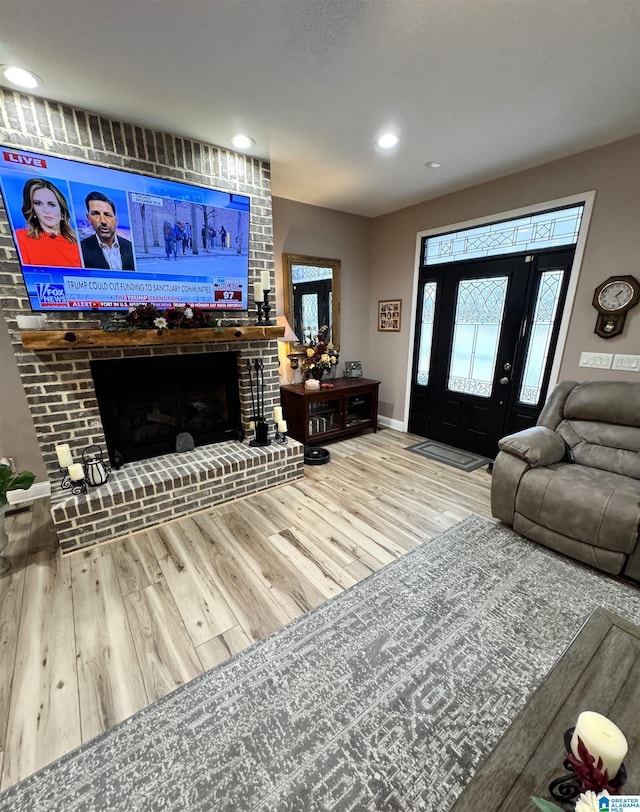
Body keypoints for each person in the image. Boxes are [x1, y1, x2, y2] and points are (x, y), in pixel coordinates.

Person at [15, 178, 82, 267]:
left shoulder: (80, 245)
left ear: (61, 209)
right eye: (38, 203)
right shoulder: (20, 238)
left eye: (51, 204)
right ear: (33, 209)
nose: (46, 210)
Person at [80, 191, 135, 271]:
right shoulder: (82, 249)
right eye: (96, 214)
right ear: (88, 218)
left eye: (107, 215)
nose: (103, 221)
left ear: (116, 221)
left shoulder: (130, 247)